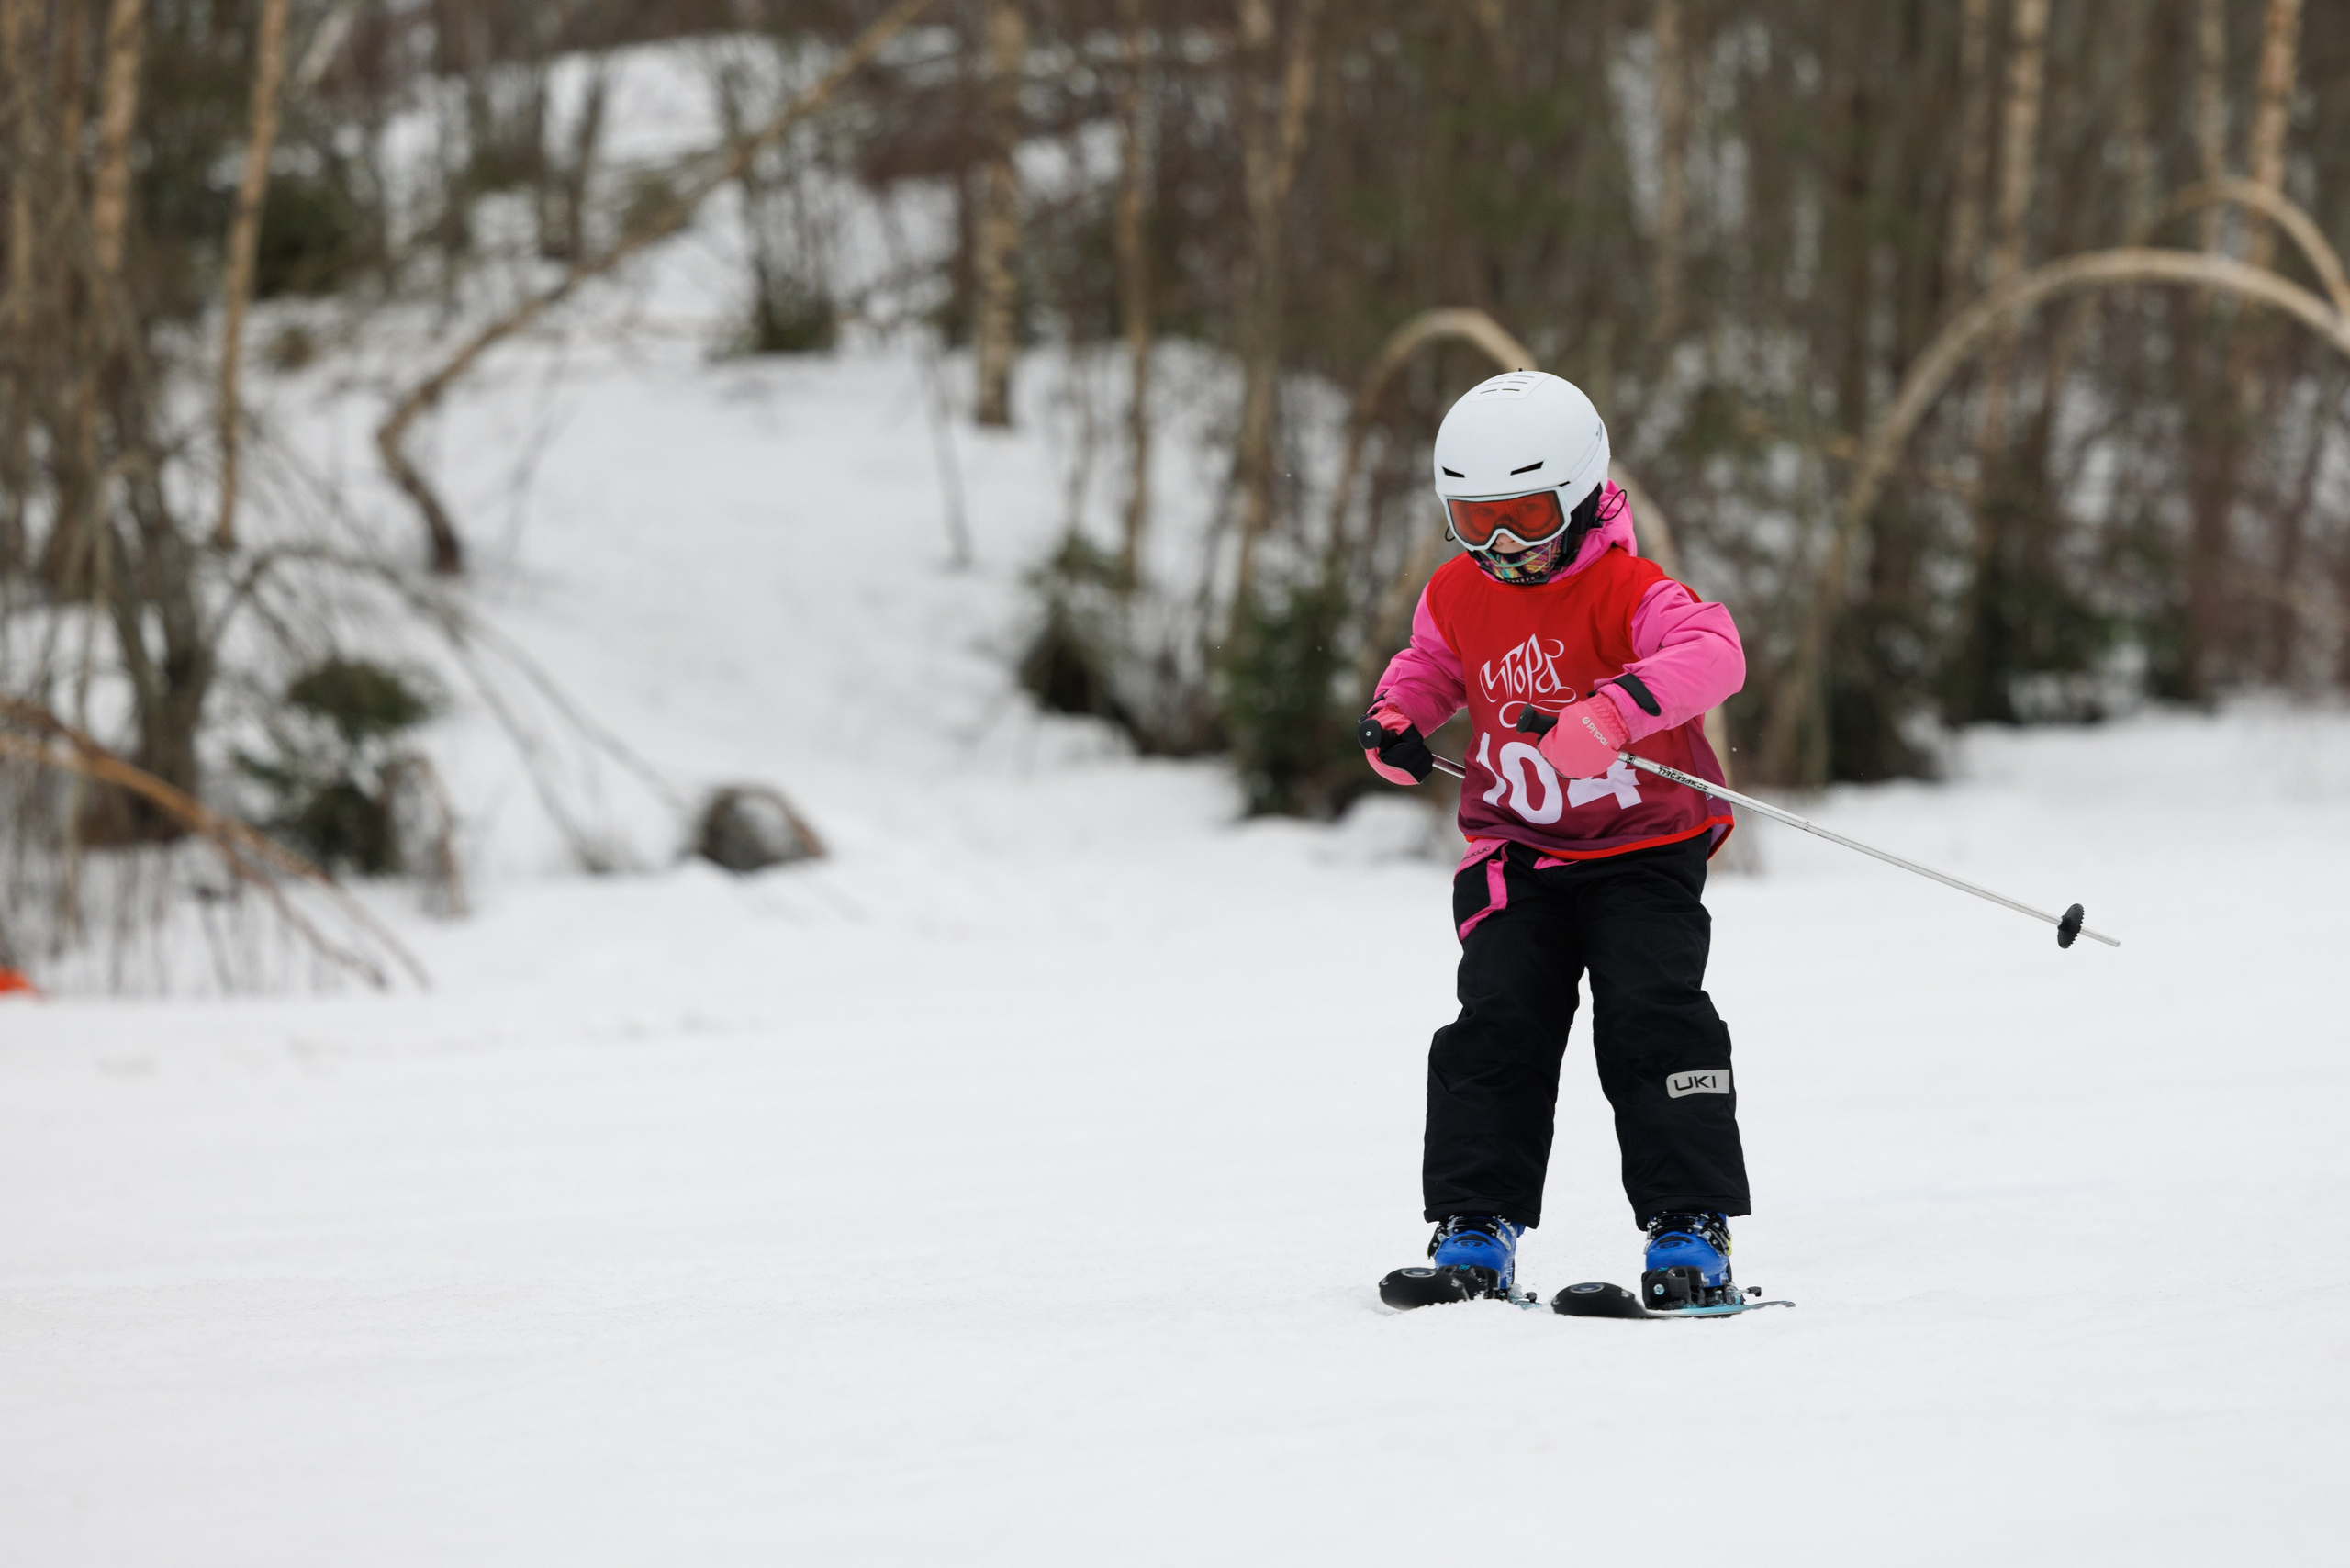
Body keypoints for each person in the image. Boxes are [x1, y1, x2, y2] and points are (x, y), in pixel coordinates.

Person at [1361, 370, 1751, 1312]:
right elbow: (1431, 664)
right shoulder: (1457, 591)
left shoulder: (1629, 590)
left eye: (1527, 517)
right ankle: (1474, 1229)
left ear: (1579, 496)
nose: (1503, 547)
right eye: (1475, 520)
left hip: (1641, 845)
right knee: (1498, 1022)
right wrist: (1398, 715)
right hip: (1516, 849)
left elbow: (1715, 652)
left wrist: (1614, 713)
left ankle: (1690, 1229)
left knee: (1651, 1016)